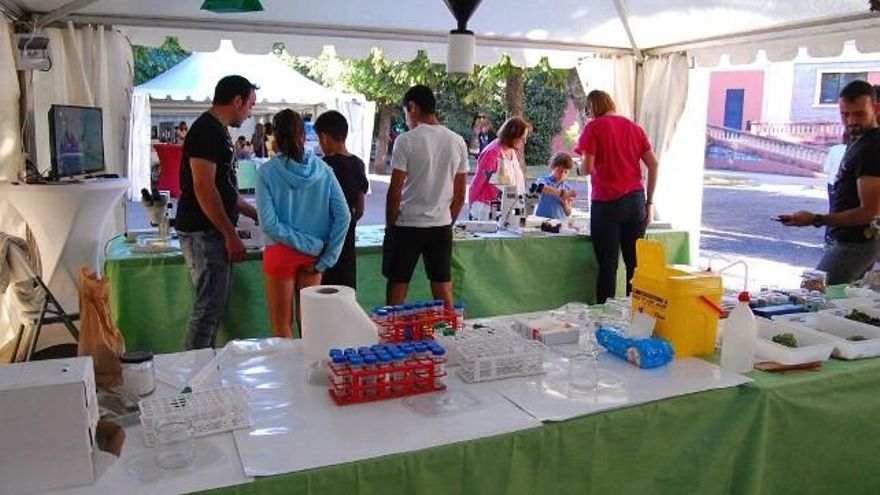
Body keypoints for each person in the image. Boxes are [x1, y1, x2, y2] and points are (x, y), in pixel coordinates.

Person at [176, 75, 259, 350]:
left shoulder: (218, 130)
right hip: (204, 231)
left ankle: (202, 370)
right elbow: (204, 188)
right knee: (207, 309)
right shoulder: (206, 130)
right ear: (237, 101)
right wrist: (230, 235)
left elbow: (224, 189)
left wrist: (252, 212)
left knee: (213, 307)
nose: (250, 112)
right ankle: (196, 375)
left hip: (211, 231)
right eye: (250, 105)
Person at [257, 109, 351, 338]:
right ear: (303, 135)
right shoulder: (324, 170)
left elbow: (269, 224)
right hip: (314, 258)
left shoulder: (266, 172)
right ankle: (312, 373)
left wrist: (302, 243)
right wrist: (324, 256)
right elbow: (344, 216)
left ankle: (289, 374)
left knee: (282, 327)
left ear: (275, 138)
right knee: (311, 328)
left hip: (280, 254)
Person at [779, 80, 880, 285]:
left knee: (812, 293)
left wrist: (816, 219)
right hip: (847, 239)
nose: (851, 121)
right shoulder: (859, 139)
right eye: (845, 114)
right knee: (834, 301)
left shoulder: (874, 146)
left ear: (876, 109)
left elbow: (869, 211)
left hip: (856, 242)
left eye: (859, 114)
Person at [383, 85, 469, 308]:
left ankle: (391, 336)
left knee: (398, 285)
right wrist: (446, 220)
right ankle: (453, 335)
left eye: (405, 112)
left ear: (412, 107)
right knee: (442, 286)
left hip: (407, 224)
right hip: (441, 225)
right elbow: (460, 195)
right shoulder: (457, 141)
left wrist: (390, 224)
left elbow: (395, 192)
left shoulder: (406, 140)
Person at [574, 89, 660, 304]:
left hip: (607, 203)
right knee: (635, 265)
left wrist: (577, 169)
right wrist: (649, 203)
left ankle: (605, 317)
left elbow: (587, 168)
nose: (588, 114)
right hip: (636, 200)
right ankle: (636, 315)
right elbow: (653, 164)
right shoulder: (633, 127)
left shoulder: (593, 127)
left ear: (592, 107)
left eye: (588, 109)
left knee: (608, 266)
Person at [314, 110, 369, 289]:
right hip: (348, 238)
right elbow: (360, 209)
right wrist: (349, 223)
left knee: (323, 291)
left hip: (324, 240)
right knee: (345, 291)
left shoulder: (321, 166)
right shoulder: (358, 164)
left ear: (324, 137)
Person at [468, 116, 531, 217]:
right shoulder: (492, 153)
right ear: (512, 135)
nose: (524, 142)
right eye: (522, 138)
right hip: (487, 211)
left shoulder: (512, 151)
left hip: (507, 210)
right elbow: (477, 184)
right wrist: (472, 212)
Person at [534, 152, 577, 220]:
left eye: (566, 172)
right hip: (541, 220)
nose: (562, 174)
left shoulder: (568, 187)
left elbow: (568, 212)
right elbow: (541, 187)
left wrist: (564, 204)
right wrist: (561, 193)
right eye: (560, 171)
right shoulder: (544, 179)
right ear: (553, 167)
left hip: (558, 222)